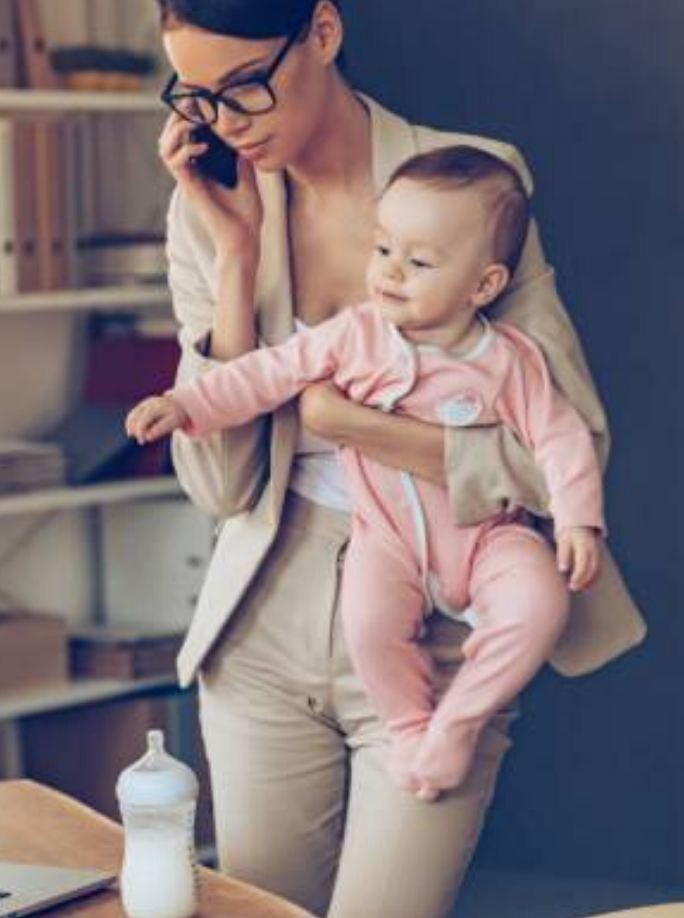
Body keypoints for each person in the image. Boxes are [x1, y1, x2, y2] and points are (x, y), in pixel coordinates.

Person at [152, 0, 646, 918]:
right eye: (194, 96)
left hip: (441, 620)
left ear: (322, 32)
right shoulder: (208, 208)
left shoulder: (469, 181)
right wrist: (234, 263)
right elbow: (222, 487)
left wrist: (355, 427)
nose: (225, 121)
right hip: (267, 621)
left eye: (245, 84)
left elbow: (567, 449)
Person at [128, 144, 604, 802]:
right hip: (386, 542)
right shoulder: (354, 334)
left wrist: (579, 520)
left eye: (419, 262)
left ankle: (458, 719)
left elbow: (561, 437)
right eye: (382, 250)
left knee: (540, 602)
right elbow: (267, 374)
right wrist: (184, 404)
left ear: (485, 285)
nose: (390, 273)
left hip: (489, 536)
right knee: (368, 621)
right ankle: (411, 726)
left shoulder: (508, 359)